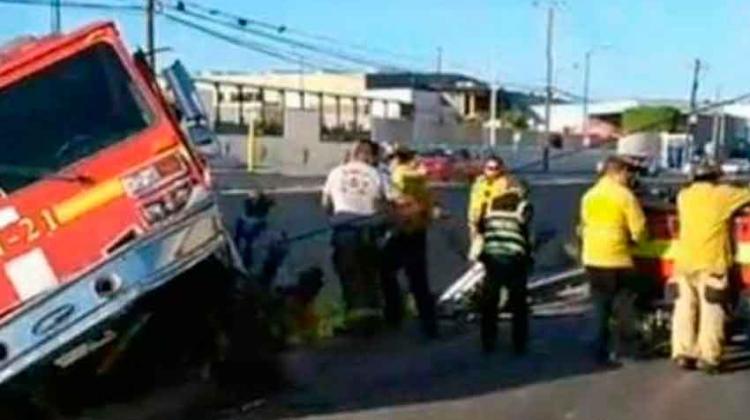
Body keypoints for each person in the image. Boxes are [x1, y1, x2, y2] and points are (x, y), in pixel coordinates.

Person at [671, 162, 750, 374]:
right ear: (716, 177)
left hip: (684, 262)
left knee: (684, 308)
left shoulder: (684, 196)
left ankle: (683, 352)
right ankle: (709, 357)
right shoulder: (723, 195)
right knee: (712, 311)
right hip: (711, 262)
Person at [579, 156, 646, 365]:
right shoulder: (624, 196)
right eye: (627, 173)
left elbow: (582, 225)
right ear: (617, 172)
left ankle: (599, 350)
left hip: (592, 258)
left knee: (600, 306)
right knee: (624, 305)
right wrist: (638, 242)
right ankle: (629, 346)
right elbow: (639, 228)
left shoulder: (589, 195)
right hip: (617, 258)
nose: (629, 177)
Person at [322, 140, 387, 329]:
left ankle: (354, 319)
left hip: (344, 231)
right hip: (368, 231)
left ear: (353, 153)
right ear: (368, 155)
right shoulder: (375, 174)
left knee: (349, 276)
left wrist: (338, 214)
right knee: (369, 275)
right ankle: (372, 318)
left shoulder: (336, 173)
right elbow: (382, 204)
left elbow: (326, 203)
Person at [380, 147, 439, 337]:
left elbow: (393, 201)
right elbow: (429, 205)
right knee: (419, 279)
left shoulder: (397, 176)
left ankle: (394, 314)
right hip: (419, 230)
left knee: (385, 269)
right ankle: (429, 323)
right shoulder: (421, 180)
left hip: (402, 231)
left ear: (397, 159)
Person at [477, 188, 533, 354]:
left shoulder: (489, 211)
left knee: (490, 303)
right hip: (515, 260)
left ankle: (488, 341)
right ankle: (519, 343)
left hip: (493, 258)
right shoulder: (522, 208)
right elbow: (525, 230)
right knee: (518, 303)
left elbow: (481, 228)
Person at [468, 156, 525, 259]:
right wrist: (473, 220)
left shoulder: (508, 181)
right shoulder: (479, 182)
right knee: (476, 252)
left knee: (493, 250)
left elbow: (518, 195)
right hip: (478, 220)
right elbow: (474, 201)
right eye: (490, 168)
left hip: (496, 222)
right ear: (485, 168)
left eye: (496, 168)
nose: (493, 171)